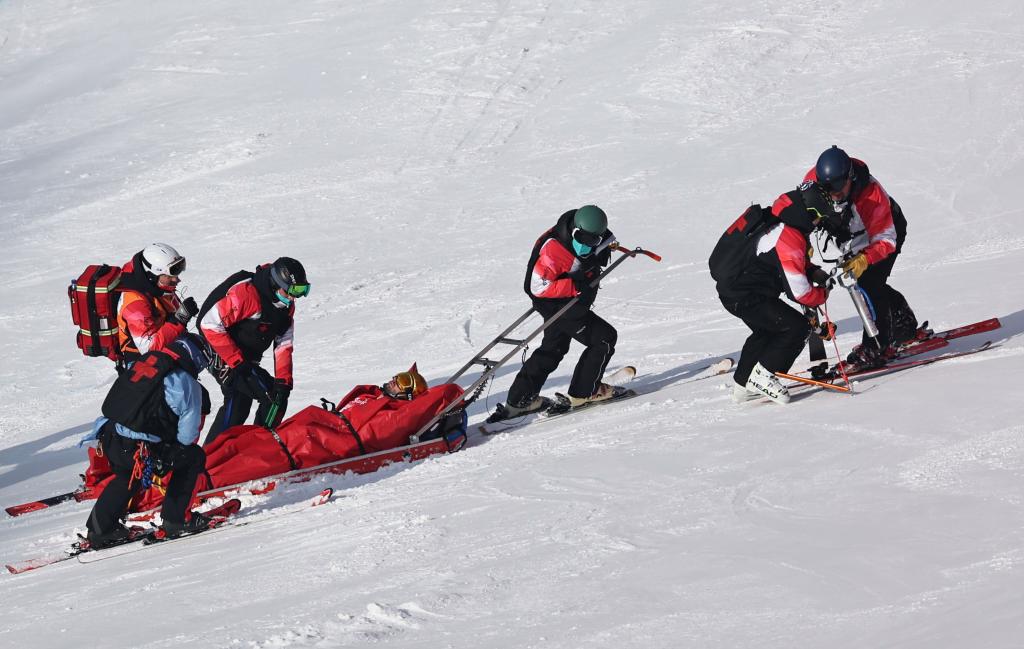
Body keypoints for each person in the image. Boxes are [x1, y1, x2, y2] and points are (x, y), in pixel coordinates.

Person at [82, 334, 213, 548]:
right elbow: (188, 436)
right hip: (139, 447)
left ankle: (100, 529)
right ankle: (176, 519)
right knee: (192, 457)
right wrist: (171, 454)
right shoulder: (186, 382)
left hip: (110, 436)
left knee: (126, 478)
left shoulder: (143, 361)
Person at [494, 205, 619, 419]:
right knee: (604, 338)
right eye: (582, 239)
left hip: (567, 302)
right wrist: (576, 286)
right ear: (574, 230)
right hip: (558, 304)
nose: (586, 245)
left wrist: (605, 247)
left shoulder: (588, 236)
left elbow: (593, 249)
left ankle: (519, 400)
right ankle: (584, 393)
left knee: (554, 347)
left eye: (593, 241)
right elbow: (537, 287)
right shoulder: (554, 250)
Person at [715, 182, 833, 404]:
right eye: (819, 219)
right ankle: (764, 376)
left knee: (767, 330)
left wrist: (812, 271)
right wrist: (822, 294)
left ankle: (743, 385)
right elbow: (799, 292)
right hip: (745, 295)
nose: (818, 224)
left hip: (735, 291)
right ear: (811, 213)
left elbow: (784, 260)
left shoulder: (781, 218)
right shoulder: (789, 235)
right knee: (796, 328)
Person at [804, 146, 919, 367]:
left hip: (885, 233)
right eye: (828, 189)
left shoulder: (871, 194)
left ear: (850, 177)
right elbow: (804, 212)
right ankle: (903, 322)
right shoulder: (814, 183)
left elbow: (886, 239)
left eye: (839, 187)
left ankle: (878, 346)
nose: (834, 194)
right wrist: (804, 242)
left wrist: (864, 259)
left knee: (868, 283)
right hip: (853, 235)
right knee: (866, 282)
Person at [198, 257, 309, 443]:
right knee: (265, 399)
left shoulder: (285, 307)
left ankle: (247, 454)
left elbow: (284, 343)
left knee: (273, 397)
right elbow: (209, 324)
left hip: (244, 359)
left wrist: (284, 380)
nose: (293, 297)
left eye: (300, 291)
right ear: (276, 283)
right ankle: (212, 462)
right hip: (221, 353)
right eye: (291, 290)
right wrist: (236, 361)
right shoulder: (247, 295)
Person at [117, 243, 199, 365]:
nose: (177, 279)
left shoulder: (158, 288)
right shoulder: (135, 304)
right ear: (153, 274)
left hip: (166, 350)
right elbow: (148, 348)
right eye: (170, 275)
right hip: (142, 364)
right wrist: (180, 320)